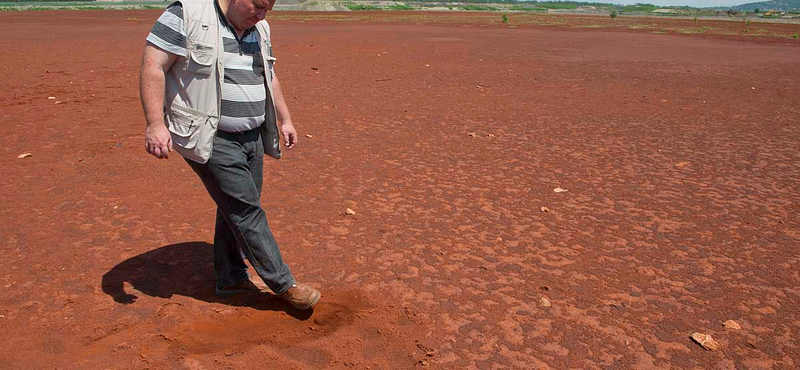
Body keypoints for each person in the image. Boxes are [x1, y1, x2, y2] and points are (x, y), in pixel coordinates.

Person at [139, 0, 320, 310]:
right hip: (210, 137)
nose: (261, 16)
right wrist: (155, 124)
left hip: (252, 136)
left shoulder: (259, 28)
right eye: (258, 6)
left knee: (235, 208)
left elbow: (269, 75)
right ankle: (284, 283)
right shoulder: (187, 14)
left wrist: (285, 119)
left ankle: (231, 279)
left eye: (268, 10)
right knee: (246, 210)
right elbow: (153, 65)